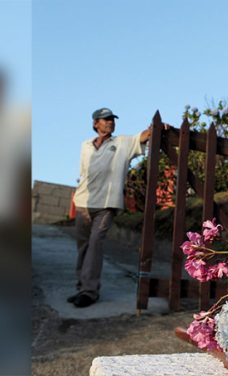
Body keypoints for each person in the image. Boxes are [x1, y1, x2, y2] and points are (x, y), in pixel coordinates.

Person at [68, 107, 157, 307]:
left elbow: (143, 136)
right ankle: (82, 287)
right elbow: (84, 173)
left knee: (95, 243)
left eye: (112, 120)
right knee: (82, 246)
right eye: (105, 119)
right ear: (95, 123)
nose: (110, 122)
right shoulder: (86, 145)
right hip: (83, 202)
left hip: (106, 205)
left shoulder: (122, 143)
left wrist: (157, 128)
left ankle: (89, 292)